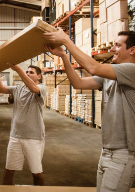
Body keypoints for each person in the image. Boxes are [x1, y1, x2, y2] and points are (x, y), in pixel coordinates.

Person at [43, 29, 135, 192]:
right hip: (106, 151)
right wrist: (64, 56)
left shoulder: (131, 71)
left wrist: (66, 40)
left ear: (132, 50)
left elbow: (93, 67)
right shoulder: (110, 75)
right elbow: (78, 83)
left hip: (123, 154)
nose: (112, 49)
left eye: (117, 45)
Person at [0, 64, 47, 186]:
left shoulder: (42, 88)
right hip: (15, 136)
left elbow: (34, 89)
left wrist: (18, 69)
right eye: (26, 72)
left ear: (39, 76)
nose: (28, 74)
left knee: (36, 173)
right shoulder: (18, 88)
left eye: (31, 72)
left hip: (33, 137)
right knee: (9, 169)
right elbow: (1, 89)